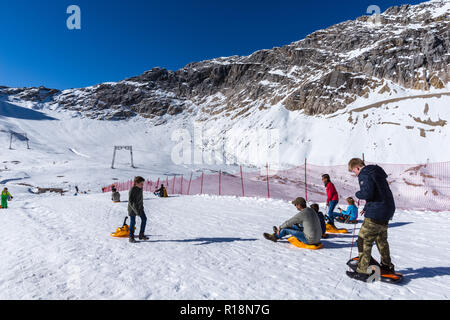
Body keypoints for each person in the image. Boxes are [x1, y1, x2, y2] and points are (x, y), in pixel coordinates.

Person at [346, 158, 396, 281]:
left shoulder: (364, 174)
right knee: (381, 240)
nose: (355, 174)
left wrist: (358, 194)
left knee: (363, 240)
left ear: (357, 167)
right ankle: (387, 266)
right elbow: (378, 193)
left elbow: (367, 193)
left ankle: (363, 271)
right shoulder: (376, 172)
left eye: (354, 171)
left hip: (376, 212)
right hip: (386, 210)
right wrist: (367, 207)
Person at [128, 176, 149, 243]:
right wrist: (136, 211)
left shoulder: (140, 189)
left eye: (143, 184)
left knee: (144, 219)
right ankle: (131, 237)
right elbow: (131, 202)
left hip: (139, 208)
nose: (142, 185)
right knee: (133, 222)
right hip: (132, 209)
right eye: (141, 184)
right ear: (136, 183)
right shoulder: (132, 190)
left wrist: (141, 207)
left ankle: (141, 235)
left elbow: (140, 199)